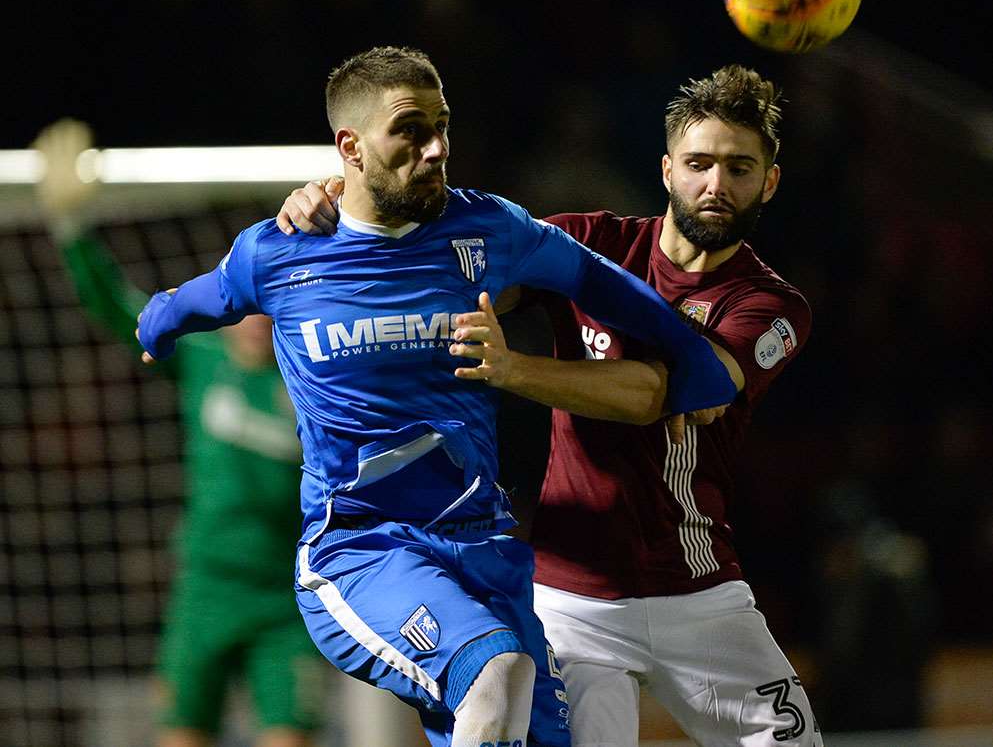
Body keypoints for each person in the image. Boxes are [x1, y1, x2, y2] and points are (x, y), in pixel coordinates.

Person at [135, 46, 737, 747]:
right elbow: (194, 301)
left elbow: (598, 281)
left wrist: (692, 360)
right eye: (411, 130)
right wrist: (158, 324)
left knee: (526, 718)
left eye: (442, 125)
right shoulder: (280, 251)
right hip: (360, 552)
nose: (436, 147)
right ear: (349, 148)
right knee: (493, 669)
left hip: (485, 552)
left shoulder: (486, 230)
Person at [279, 63, 823, 746]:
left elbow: (661, 393)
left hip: (700, 596)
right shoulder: (590, 244)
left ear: (768, 181)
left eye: (739, 168)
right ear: (665, 170)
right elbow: (447, 265)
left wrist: (510, 369)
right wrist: (345, 204)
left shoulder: (770, 305)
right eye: (699, 163)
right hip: (573, 601)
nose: (716, 184)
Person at [32, 121, 326, 747]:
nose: (253, 315)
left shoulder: (314, 383)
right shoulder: (203, 359)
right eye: (244, 297)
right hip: (206, 587)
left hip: (285, 597)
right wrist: (71, 230)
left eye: (269, 299)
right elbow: (117, 307)